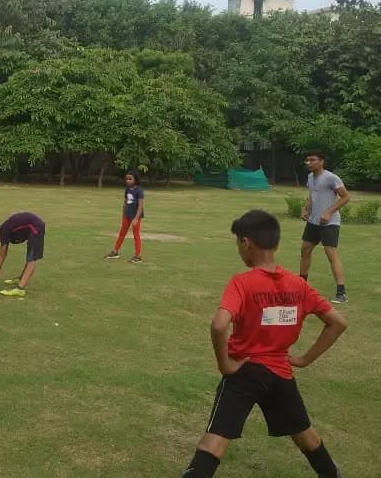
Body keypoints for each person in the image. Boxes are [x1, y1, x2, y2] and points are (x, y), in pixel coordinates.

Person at [180, 209, 347, 478]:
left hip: (244, 372)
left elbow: (219, 324)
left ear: (246, 242)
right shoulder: (298, 285)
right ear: (277, 244)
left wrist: (225, 364)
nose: (239, 250)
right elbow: (337, 322)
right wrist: (304, 359)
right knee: (305, 434)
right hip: (280, 372)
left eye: (238, 243)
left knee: (216, 438)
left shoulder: (242, 283)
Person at [299, 150, 351, 303]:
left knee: (331, 254)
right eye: (307, 160)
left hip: (330, 223)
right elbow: (312, 195)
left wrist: (328, 212)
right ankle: (301, 286)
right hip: (313, 222)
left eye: (312, 160)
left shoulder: (330, 177)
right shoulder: (310, 177)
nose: (308, 162)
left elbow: (346, 197)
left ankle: (341, 293)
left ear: (321, 161)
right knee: (305, 249)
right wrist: (305, 208)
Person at [0, 212, 46, 298]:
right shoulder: (5, 229)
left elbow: (2, 253)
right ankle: (20, 279)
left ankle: (20, 289)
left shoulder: (4, 230)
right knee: (30, 256)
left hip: (36, 227)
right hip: (34, 227)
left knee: (32, 258)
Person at [105, 171, 144, 263]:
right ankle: (115, 251)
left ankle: (138, 256)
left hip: (135, 216)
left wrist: (136, 218)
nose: (128, 180)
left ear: (135, 179)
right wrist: (123, 213)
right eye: (127, 179)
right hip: (127, 215)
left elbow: (140, 206)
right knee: (122, 233)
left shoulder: (139, 191)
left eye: (130, 179)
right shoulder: (127, 189)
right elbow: (125, 202)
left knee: (136, 235)